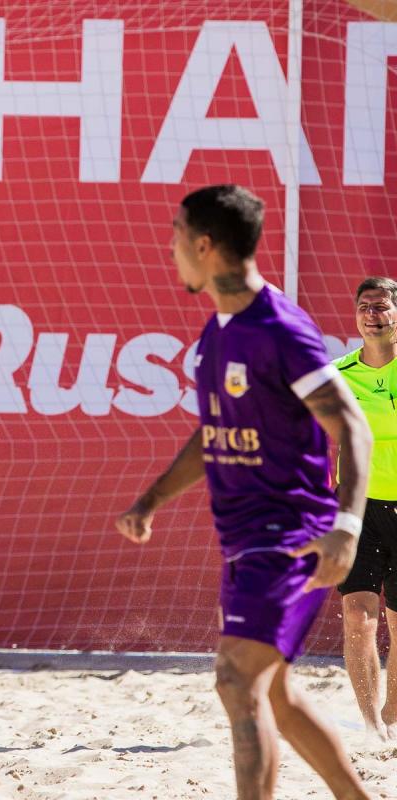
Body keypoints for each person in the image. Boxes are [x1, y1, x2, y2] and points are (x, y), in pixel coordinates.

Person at [115, 185, 373, 800]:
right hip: (245, 539)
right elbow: (214, 432)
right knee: (273, 694)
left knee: (235, 679)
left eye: (177, 235)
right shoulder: (219, 329)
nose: (171, 248)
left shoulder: (279, 328)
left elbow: (352, 425)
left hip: (292, 535)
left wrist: (346, 528)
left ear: (205, 245)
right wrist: (151, 500)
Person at [333, 276, 397, 741]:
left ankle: (392, 714)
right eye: (364, 306)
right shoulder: (337, 374)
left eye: (381, 306)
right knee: (358, 615)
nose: (371, 314)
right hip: (358, 508)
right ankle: (372, 726)